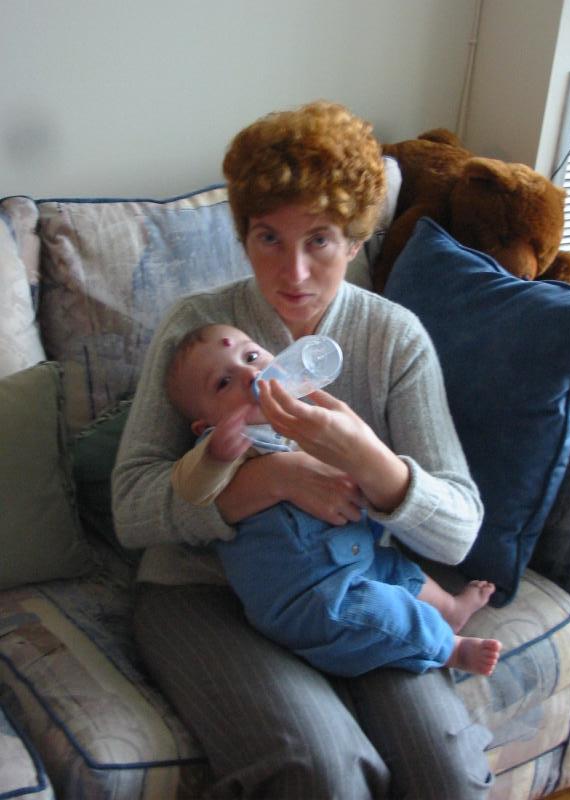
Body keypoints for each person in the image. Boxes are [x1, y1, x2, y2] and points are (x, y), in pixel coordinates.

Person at [113, 100, 495, 799]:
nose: (292, 272)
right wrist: (273, 479)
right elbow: (132, 510)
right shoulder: (199, 329)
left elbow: (460, 527)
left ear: (355, 240)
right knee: (322, 770)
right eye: (268, 238)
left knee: (446, 772)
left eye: (319, 240)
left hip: (353, 585)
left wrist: (370, 461)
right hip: (200, 594)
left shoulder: (394, 338)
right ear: (244, 235)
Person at [167, 321, 501, 678]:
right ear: (204, 424)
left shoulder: (301, 421)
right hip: (311, 597)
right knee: (382, 608)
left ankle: (449, 609)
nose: (250, 374)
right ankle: (450, 648)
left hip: (357, 555)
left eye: (251, 357)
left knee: (397, 570)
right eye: (223, 382)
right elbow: (189, 489)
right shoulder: (227, 442)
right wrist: (215, 456)